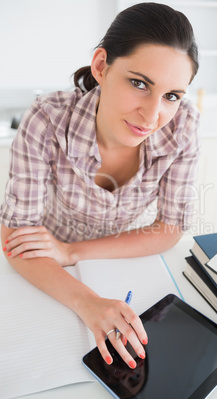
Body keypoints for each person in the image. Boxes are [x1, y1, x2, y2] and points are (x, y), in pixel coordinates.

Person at [0, 2, 200, 369]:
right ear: (101, 67)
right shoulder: (47, 118)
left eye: (171, 96)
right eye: (139, 84)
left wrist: (73, 251)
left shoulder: (184, 124)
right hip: (43, 266)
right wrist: (86, 302)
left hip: (113, 259)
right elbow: (15, 236)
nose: (153, 115)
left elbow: (170, 229)